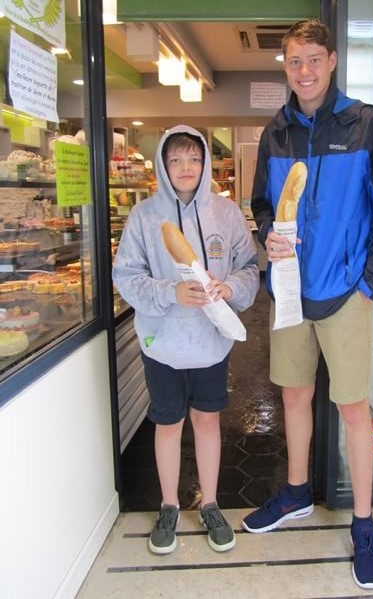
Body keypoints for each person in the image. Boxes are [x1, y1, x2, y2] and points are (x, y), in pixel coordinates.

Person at [243, 19, 373, 590]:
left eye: (314, 59)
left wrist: (368, 287)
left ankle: (364, 524)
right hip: (289, 292)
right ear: (284, 66)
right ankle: (295, 494)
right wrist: (267, 233)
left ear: (332, 61)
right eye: (294, 61)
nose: (304, 71)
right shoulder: (276, 132)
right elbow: (262, 206)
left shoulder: (367, 125)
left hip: (345, 295)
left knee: (353, 409)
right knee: (294, 394)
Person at [113, 125, 259, 555]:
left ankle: (211, 503)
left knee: (208, 420)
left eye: (193, 159)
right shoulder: (144, 216)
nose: (185, 167)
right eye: (175, 159)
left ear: (205, 163)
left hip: (212, 340)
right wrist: (169, 293)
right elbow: (126, 276)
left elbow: (249, 266)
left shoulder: (226, 214)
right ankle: (170, 505)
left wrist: (229, 287)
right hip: (162, 341)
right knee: (168, 423)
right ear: (162, 164)